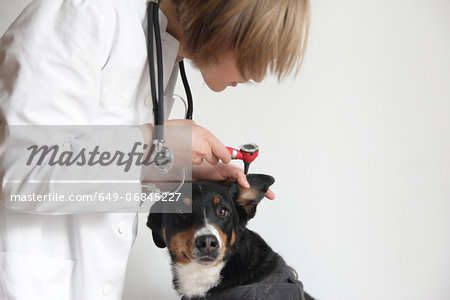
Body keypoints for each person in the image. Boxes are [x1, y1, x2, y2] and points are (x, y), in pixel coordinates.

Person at [0, 0, 310, 299]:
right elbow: (17, 174)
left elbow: (93, 170)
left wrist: (175, 171)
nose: (256, 75)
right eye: (255, 53)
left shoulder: (162, 49)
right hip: (24, 284)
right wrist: (151, 143)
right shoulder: (85, 12)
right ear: (222, 15)